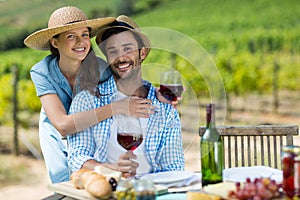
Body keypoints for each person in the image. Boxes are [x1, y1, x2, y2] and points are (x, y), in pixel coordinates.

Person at [23, 6, 154, 183]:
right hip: (54, 128)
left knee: (88, 178)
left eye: (84, 35)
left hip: (86, 128)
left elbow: (129, 79)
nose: (81, 42)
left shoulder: (100, 68)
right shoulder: (42, 72)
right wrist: (116, 108)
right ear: (55, 42)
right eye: (71, 36)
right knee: (63, 180)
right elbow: (62, 124)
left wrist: (158, 95)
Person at [67, 15, 185, 177]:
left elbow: (174, 166)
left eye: (127, 49)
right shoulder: (88, 100)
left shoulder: (164, 105)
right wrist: (110, 169)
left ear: (142, 53)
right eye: (113, 51)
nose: (121, 57)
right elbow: (77, 157)